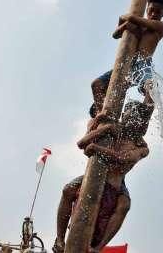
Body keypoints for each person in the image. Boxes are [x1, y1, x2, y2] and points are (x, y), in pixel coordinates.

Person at [53, 101, 153, 253]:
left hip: (117, 182)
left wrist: (97, 149)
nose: (129, 115)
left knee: (124, 205)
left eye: (134, 114)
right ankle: (59, 240)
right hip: (95, 175)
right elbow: (82, 143)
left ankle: (98, 248)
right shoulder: (112, 128)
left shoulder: (141, 146)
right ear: (123, 115)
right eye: (127, 112)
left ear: (138, 120)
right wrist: (104, 128)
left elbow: (124, 159)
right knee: (68, 189)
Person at [91, 0, 163, 115]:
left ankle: (142, 120)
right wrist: (125, 24)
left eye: (157, 12)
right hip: (127, 63)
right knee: (96, 84)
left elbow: (130, 18)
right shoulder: (139, 26)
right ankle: (102, 114)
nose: (153, 14)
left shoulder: (160, 26)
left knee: (151, 88)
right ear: (147, 8)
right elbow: (115, 34)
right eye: (151, 10)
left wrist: (127, 20)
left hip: (143, 64)